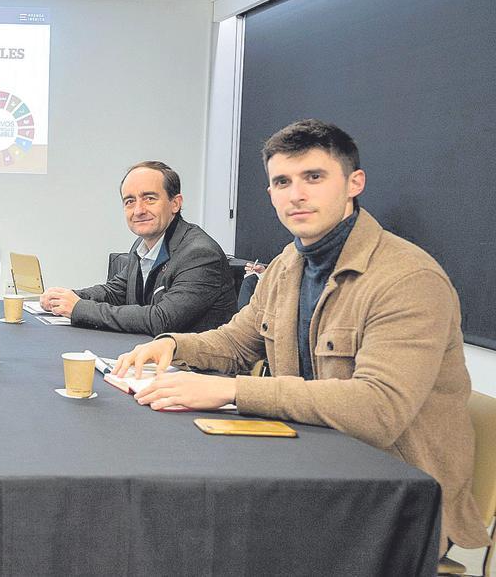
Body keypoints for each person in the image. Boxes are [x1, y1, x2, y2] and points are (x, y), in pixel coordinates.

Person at [115, 120, 488, 554]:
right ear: (271, 193)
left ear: (354, 183)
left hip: (394, 496)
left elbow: (378, 407)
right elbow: (238, 342)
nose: (296, 194)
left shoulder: (408, 279)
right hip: (311, 461)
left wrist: (231, 390)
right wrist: (174, 344)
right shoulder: (288, 263)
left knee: (205, 534)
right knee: (177, 516)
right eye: (282, 181)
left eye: (314, 177)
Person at [40, 161, 237, 334]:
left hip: (195, 371)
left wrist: (79, 308)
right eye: (130, 201)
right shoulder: (143, 244)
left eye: (149, 198)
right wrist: (66, 298)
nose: (139, 210)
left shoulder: (200, 254)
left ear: (175, 203)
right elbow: (115, 292)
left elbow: (162, 319)